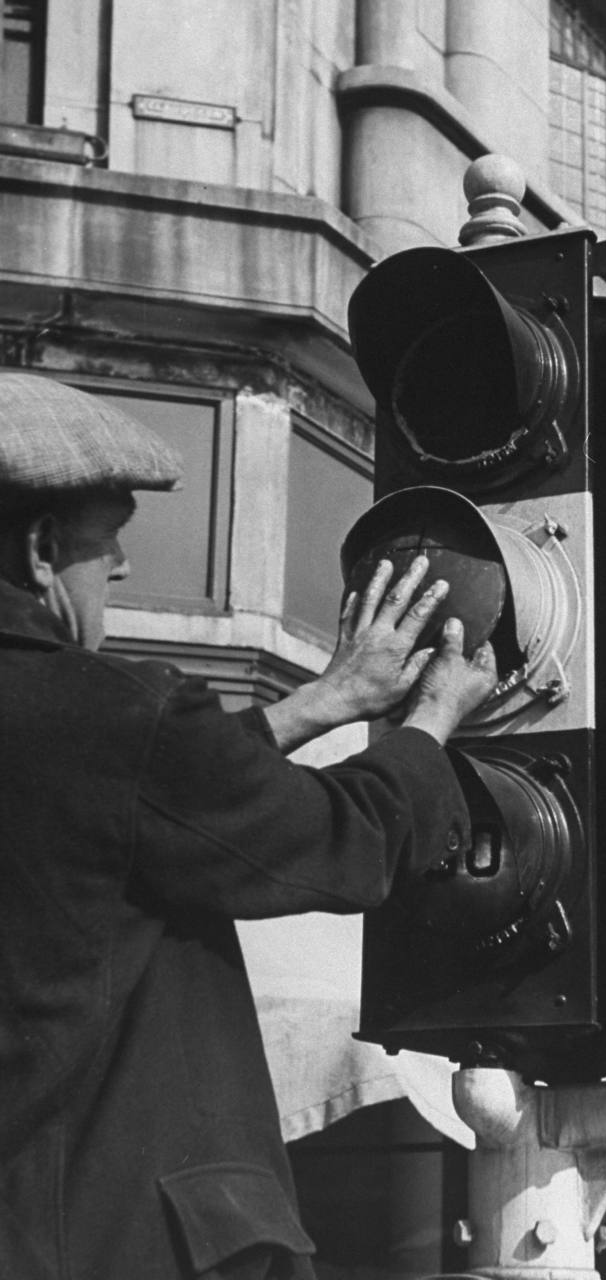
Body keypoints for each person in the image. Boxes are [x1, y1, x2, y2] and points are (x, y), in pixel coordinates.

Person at [0, 372, 498, 1280]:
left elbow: (140, 807)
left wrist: (324, 701)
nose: (122, 566)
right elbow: (342, 842)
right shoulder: (112, 716)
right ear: (40, 550)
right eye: (109, 539)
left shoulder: (92, 738)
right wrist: (430, 724)